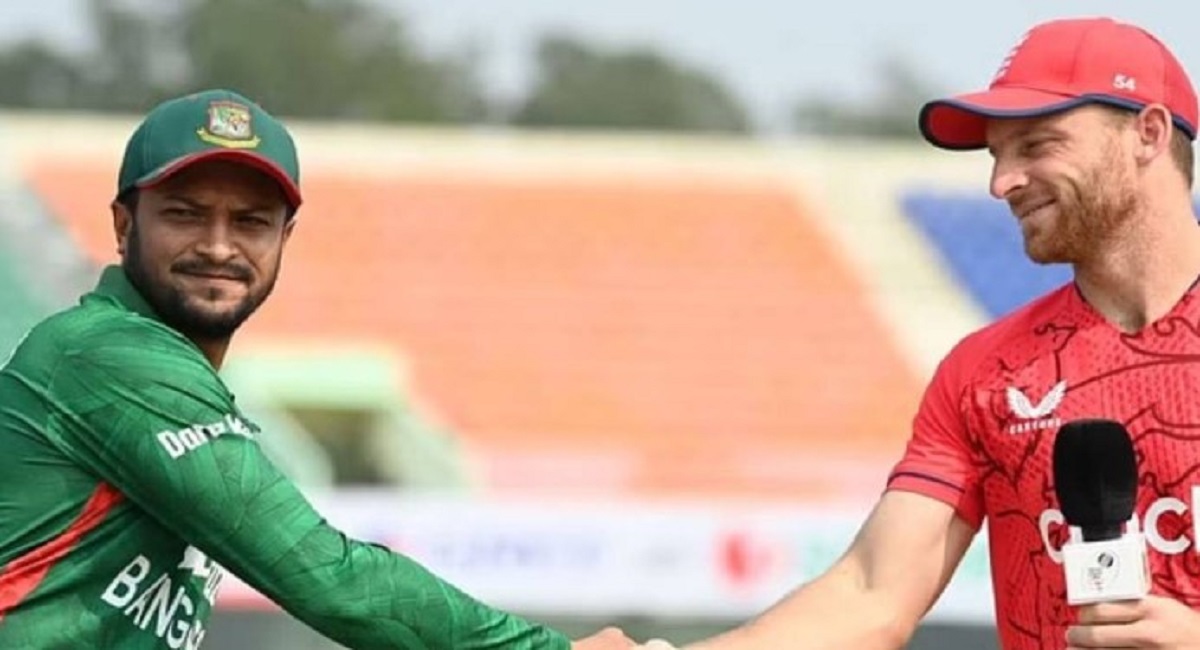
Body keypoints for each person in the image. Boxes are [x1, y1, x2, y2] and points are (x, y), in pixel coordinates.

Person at [0, 88, 634, 650]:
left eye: (250, 222)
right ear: (123, 225)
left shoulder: (146, 365)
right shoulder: (107, 356)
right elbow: (330, 578)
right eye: (185, 214)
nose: (218, 245)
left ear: (284, 239)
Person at [657, 16, 1200, 650]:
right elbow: (869, 596)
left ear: (1148, 133)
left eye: (1037, 145)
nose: (1001, 183)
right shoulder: (985, 372)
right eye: (997, 155)